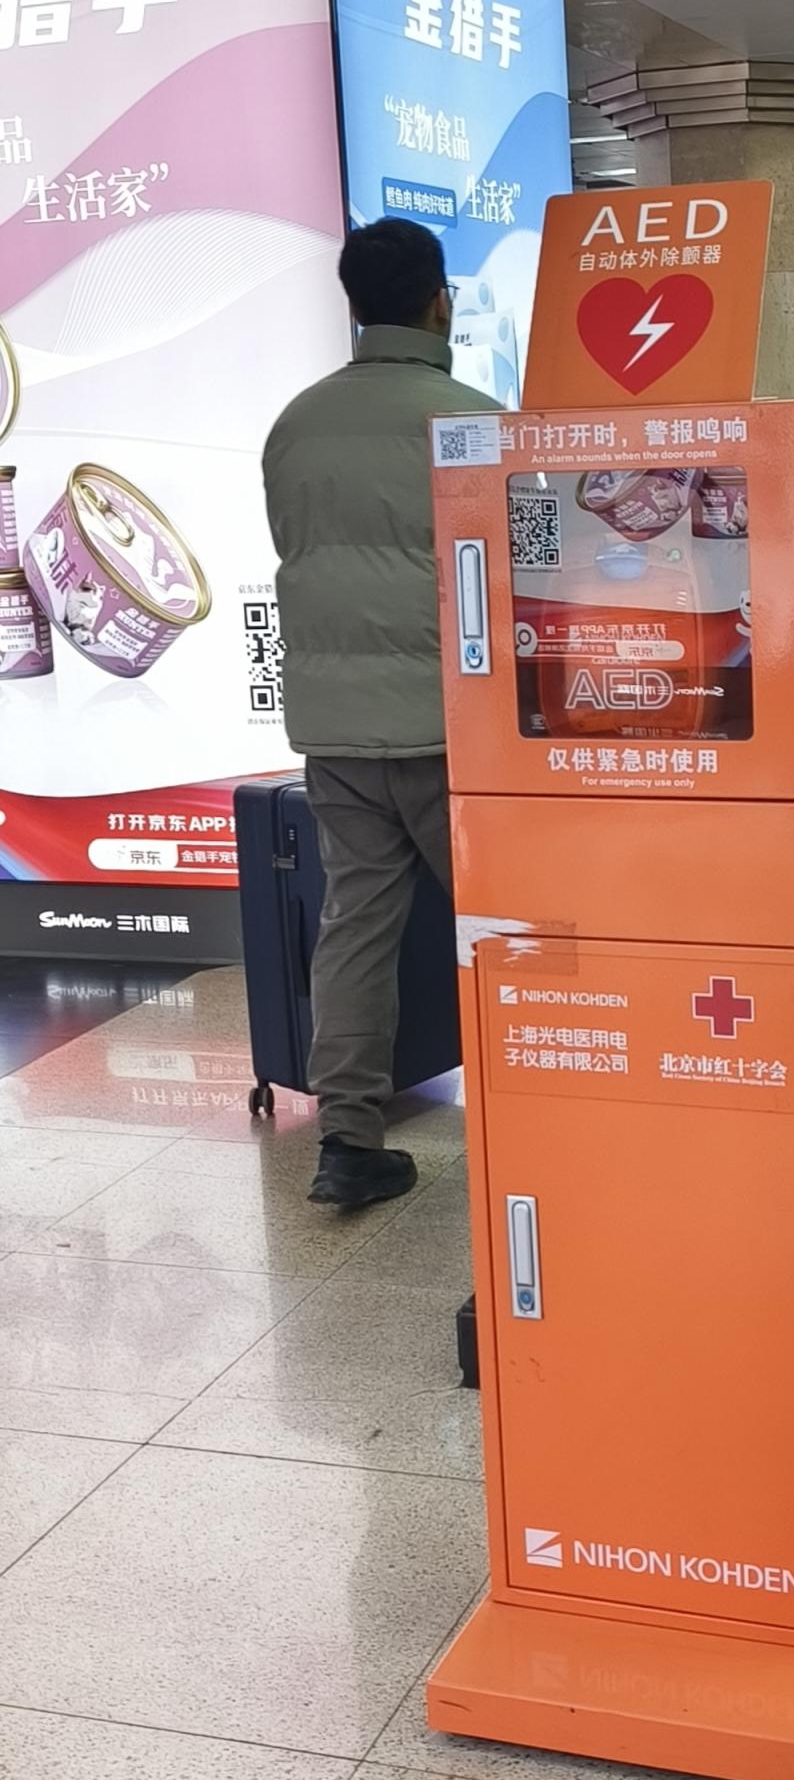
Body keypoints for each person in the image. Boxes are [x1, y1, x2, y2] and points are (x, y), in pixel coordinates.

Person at [264, 218, 502, 1210]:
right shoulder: (477, 424)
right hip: (457, 733)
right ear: (439, 302)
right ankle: (545, 1109)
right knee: (507, 925)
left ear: (353, 305)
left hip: (338, 732)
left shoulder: (297, 423)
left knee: (355, 929)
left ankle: (348, 1140)